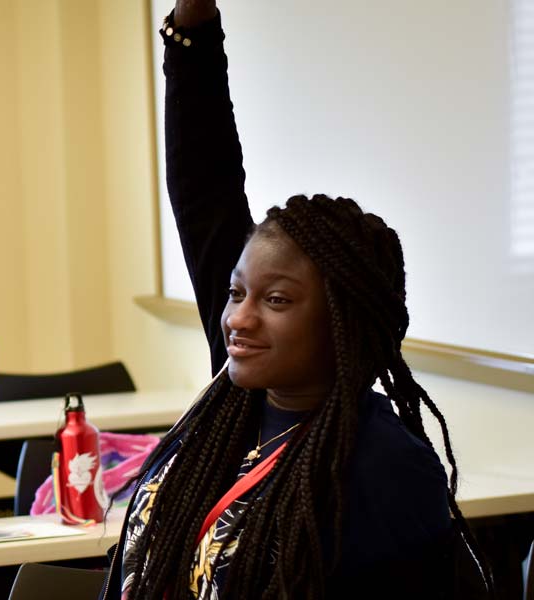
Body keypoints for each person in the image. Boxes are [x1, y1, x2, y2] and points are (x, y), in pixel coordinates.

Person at [100, 2, 491, 598]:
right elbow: (205, 186)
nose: (238, 318)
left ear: (341, 321)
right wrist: (192, 29)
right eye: (236, 294)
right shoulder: (234, 402)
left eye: (277, 300)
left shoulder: (381, 468)